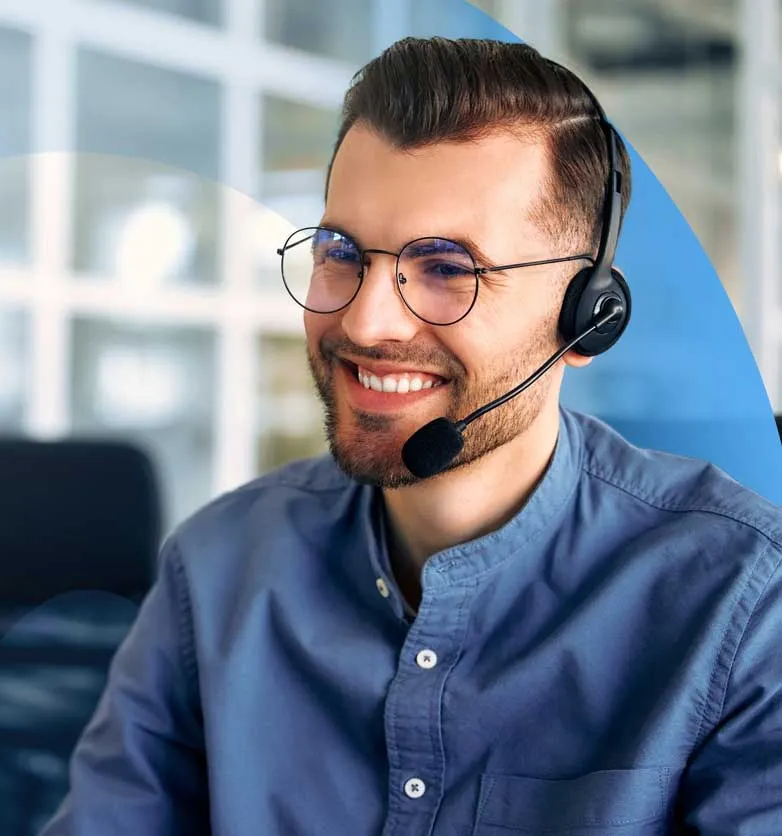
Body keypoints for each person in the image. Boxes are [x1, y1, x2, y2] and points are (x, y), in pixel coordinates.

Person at [39, 36, 782, 835]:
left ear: (587, 315)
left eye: (448, 267)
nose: (365, 321)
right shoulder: (218, 569)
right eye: (341, 253)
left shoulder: (740, 604)